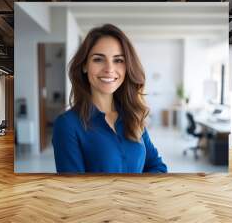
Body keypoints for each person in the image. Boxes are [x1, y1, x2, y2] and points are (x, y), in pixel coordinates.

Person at [52, 24, 167, 173]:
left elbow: (157, 167)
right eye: (98, 59)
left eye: (118, 60)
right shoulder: (67, 125)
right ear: (84, 65)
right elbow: (74, 191)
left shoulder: (133, 116)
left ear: (127, 67)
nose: (109, 69)